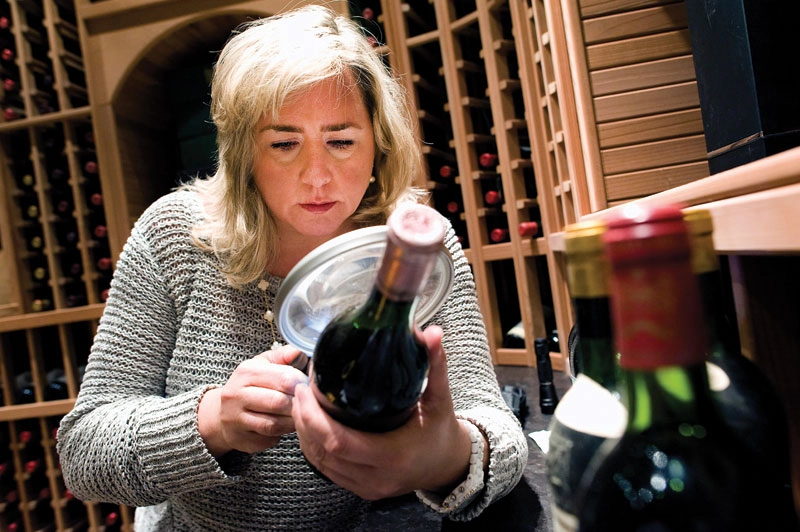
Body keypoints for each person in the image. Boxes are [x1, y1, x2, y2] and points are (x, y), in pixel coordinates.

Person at [56, 5, 528, 531]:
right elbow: (84, 454)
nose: (317, 177)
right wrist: (212, 420)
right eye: (284, 144)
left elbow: (500, 434)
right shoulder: (173, 236)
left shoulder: (413, 246)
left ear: (378, 142)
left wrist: (447, 458)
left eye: (341, 141)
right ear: (244, 153)